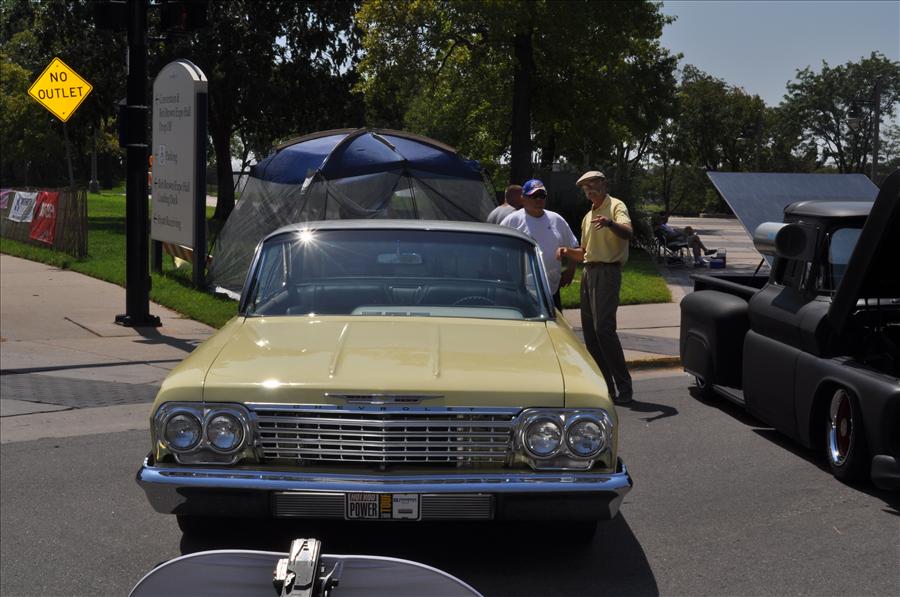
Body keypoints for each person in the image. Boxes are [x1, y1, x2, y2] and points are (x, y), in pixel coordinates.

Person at [558, 171, 634, 405]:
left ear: (605, 184)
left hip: (607, 272)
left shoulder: (616, 206)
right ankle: (606, 387)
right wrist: (567, 252)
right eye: (585, 187)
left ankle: (624, 387)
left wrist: (610, 223)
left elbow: (628, 232)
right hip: (589, 273)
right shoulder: (588, 216)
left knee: (604, 330)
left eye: (593, 185)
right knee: (590, 334)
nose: (589, 190)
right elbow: (584, 252)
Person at [499, 179, 578, 310]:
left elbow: (573, 246)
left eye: (542, 196)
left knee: (553, 322)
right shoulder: (512, 221)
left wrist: (570, 270)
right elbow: (498, 251)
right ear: (523, 198)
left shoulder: (556, 219)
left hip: (551, 288)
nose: (538, 199)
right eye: (534, 196)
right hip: (521, 289)